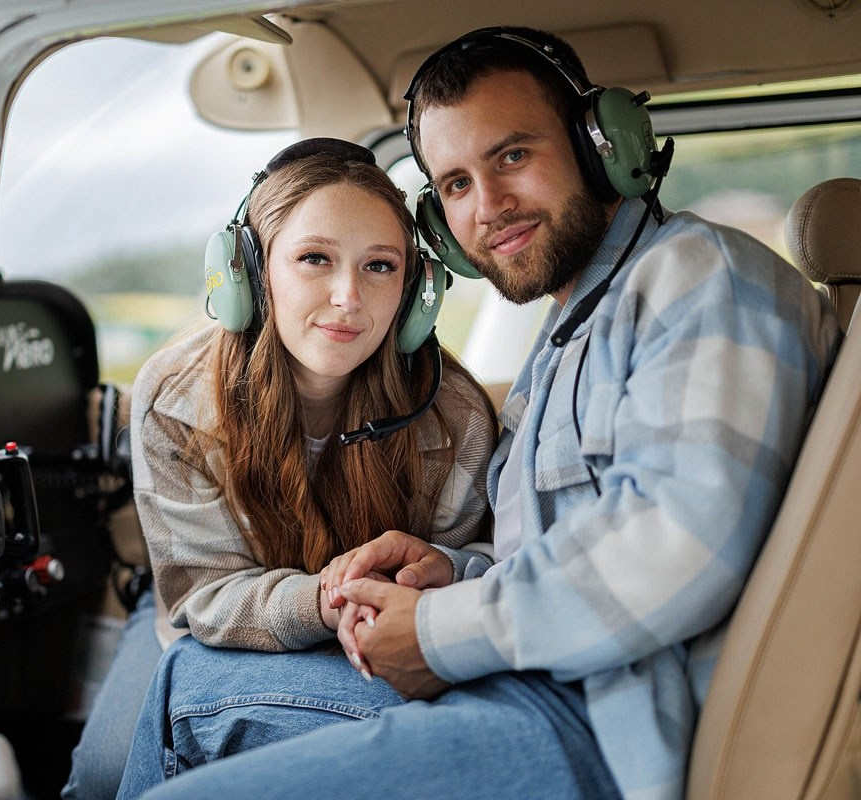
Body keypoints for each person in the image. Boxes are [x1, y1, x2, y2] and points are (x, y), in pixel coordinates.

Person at [116, 26, 842, 800]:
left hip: (602, 721)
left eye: (513, 155)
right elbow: (570, 548)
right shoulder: (573, 331)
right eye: (457, 184)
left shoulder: (697, 280)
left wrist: (437, 630)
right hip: (547, 684)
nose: (489, 206)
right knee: (185, 677)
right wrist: (452, 575)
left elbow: (678, 548)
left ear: (600, 145)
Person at [63, 137, 498, 799]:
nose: (349, 296)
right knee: (103, 776)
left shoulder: (452, 415)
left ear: (417, 292)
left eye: (380, 266)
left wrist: (427, 577)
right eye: (314, 258)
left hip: (375, 632)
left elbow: (476, 565)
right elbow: (204, 592)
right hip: (216, 606)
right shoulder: (175, 397)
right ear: (249, 271)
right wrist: (321, 600)